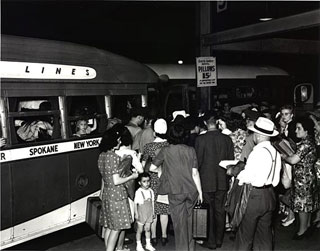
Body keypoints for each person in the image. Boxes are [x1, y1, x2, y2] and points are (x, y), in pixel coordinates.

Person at [150, 124, 203, 251]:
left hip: (175, 191)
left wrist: (164, 171)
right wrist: (200, 192)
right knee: (191, 224)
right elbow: (195, 173)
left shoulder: (166, 151)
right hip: (191, 190)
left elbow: (152, 167)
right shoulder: (191, 150)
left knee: (180, 226)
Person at [234, 117, 282, 250]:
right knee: (264, 235)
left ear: (259, 135)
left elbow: (248, 176)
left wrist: (238, 174)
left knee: (245, 236)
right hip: (270, 195)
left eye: (254, 133)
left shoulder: (257, 152)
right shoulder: (275, 152)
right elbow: (276, 177)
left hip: (254, 196)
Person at [195, 112, 234, 249]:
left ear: (205, 123)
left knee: (209, 210)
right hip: (222, 180)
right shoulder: (227, 139)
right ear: (217, 121)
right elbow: (231, 161)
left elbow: (197, 162)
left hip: (206, 180)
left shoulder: (200, 140)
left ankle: (210, 241)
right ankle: (219, 240)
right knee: (220, 210)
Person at [98, 125, 139, 251]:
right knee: (117, 229)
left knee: (110, 227)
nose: (120, 142)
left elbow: (106, 177)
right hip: (117, 195)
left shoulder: (102, 155)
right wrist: (132, 176)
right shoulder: (113, 157)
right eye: (118, 140)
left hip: (107, 194)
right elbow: (116, 180)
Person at [282, 117, 317, 239]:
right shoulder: (310, 142)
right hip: (308, 176)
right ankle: (306, 227)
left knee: (302, 206)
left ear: (306, 131)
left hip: (303, 178)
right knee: (307, 205)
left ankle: (301, 231)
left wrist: (283, 156)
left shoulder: (305, 144)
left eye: (299, 128)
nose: (296, 131)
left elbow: (293, 160)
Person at [142, 118, 170, 247]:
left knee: (153, 210)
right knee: (164, 209)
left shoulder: (149, 147)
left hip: (152, 181)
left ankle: (153, 237)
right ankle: (164, 236)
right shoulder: (169, 145)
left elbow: (143, 165)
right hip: (166, 180)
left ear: (154, 132)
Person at [134, 172, 156, 251]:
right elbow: (135, 204)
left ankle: (148, 244)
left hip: (149, 213)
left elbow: (152, 203)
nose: (147, 183)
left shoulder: (151, 191)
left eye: (148, 181)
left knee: (148, 229)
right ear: (139, 182)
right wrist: (136, 213)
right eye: (144, 181)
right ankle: (139, 245)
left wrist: (153, 212)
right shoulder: (139, 192)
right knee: (140, 230)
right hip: (141, 213)